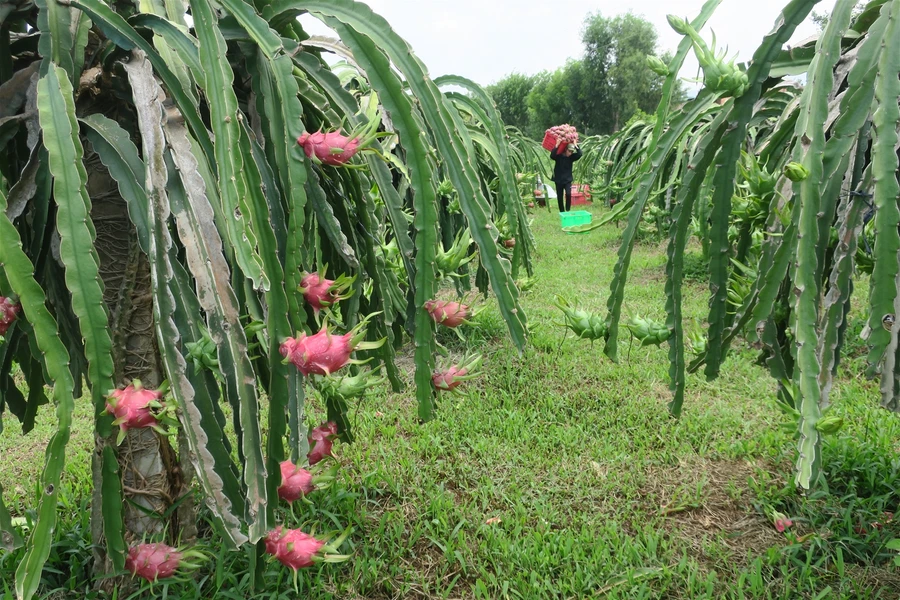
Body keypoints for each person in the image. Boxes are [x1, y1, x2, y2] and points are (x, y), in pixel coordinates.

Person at [549, 143, 583, 212]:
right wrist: (557, 145)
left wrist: (576, 145)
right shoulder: (558, 156)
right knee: (560, 196)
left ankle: (567, 209)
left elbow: (580, 154)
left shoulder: (571, 157)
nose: (570, 153)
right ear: (565, 149)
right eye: (569, 151)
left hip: (567, 180)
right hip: (558, 179)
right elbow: (552, 156)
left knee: (568, 194)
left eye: (572, 152)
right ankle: (562, 211)